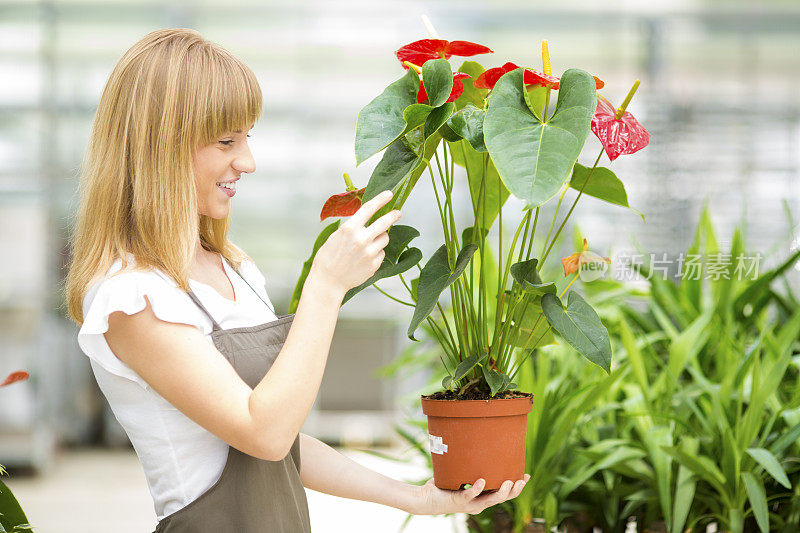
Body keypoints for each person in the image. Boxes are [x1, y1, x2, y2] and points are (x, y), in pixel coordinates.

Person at [63, 28, 528, 531]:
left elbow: (285, 450)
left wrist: (417, 498)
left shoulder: (233, 267)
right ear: (160, 146)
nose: (248, 161)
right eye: (226, 141)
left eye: (248, 136)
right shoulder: (132, 298)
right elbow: (262, 432)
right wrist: (326, 287)